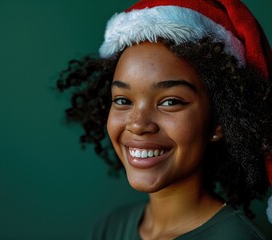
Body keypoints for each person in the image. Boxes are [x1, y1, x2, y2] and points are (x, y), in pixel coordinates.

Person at [57, 0, 272, 239]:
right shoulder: (108, 229)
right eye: (122, 100)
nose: (138, 124)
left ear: (219, 120)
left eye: (169, 102)